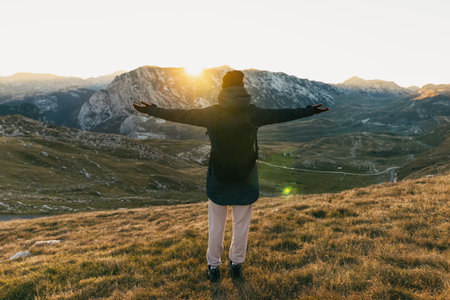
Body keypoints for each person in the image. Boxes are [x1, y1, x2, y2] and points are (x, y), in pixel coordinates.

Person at [133, 70, 329, 282]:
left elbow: (180, 114)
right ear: (243, 87)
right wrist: (309, 111)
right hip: (246, 177)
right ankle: (236, 264)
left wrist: (152, 110)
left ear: (223, 87)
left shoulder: (212, 113)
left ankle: (214, 267)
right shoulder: (253, 113)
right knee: (241, 225)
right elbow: (282, 114)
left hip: (219, 177)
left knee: (216, 226)